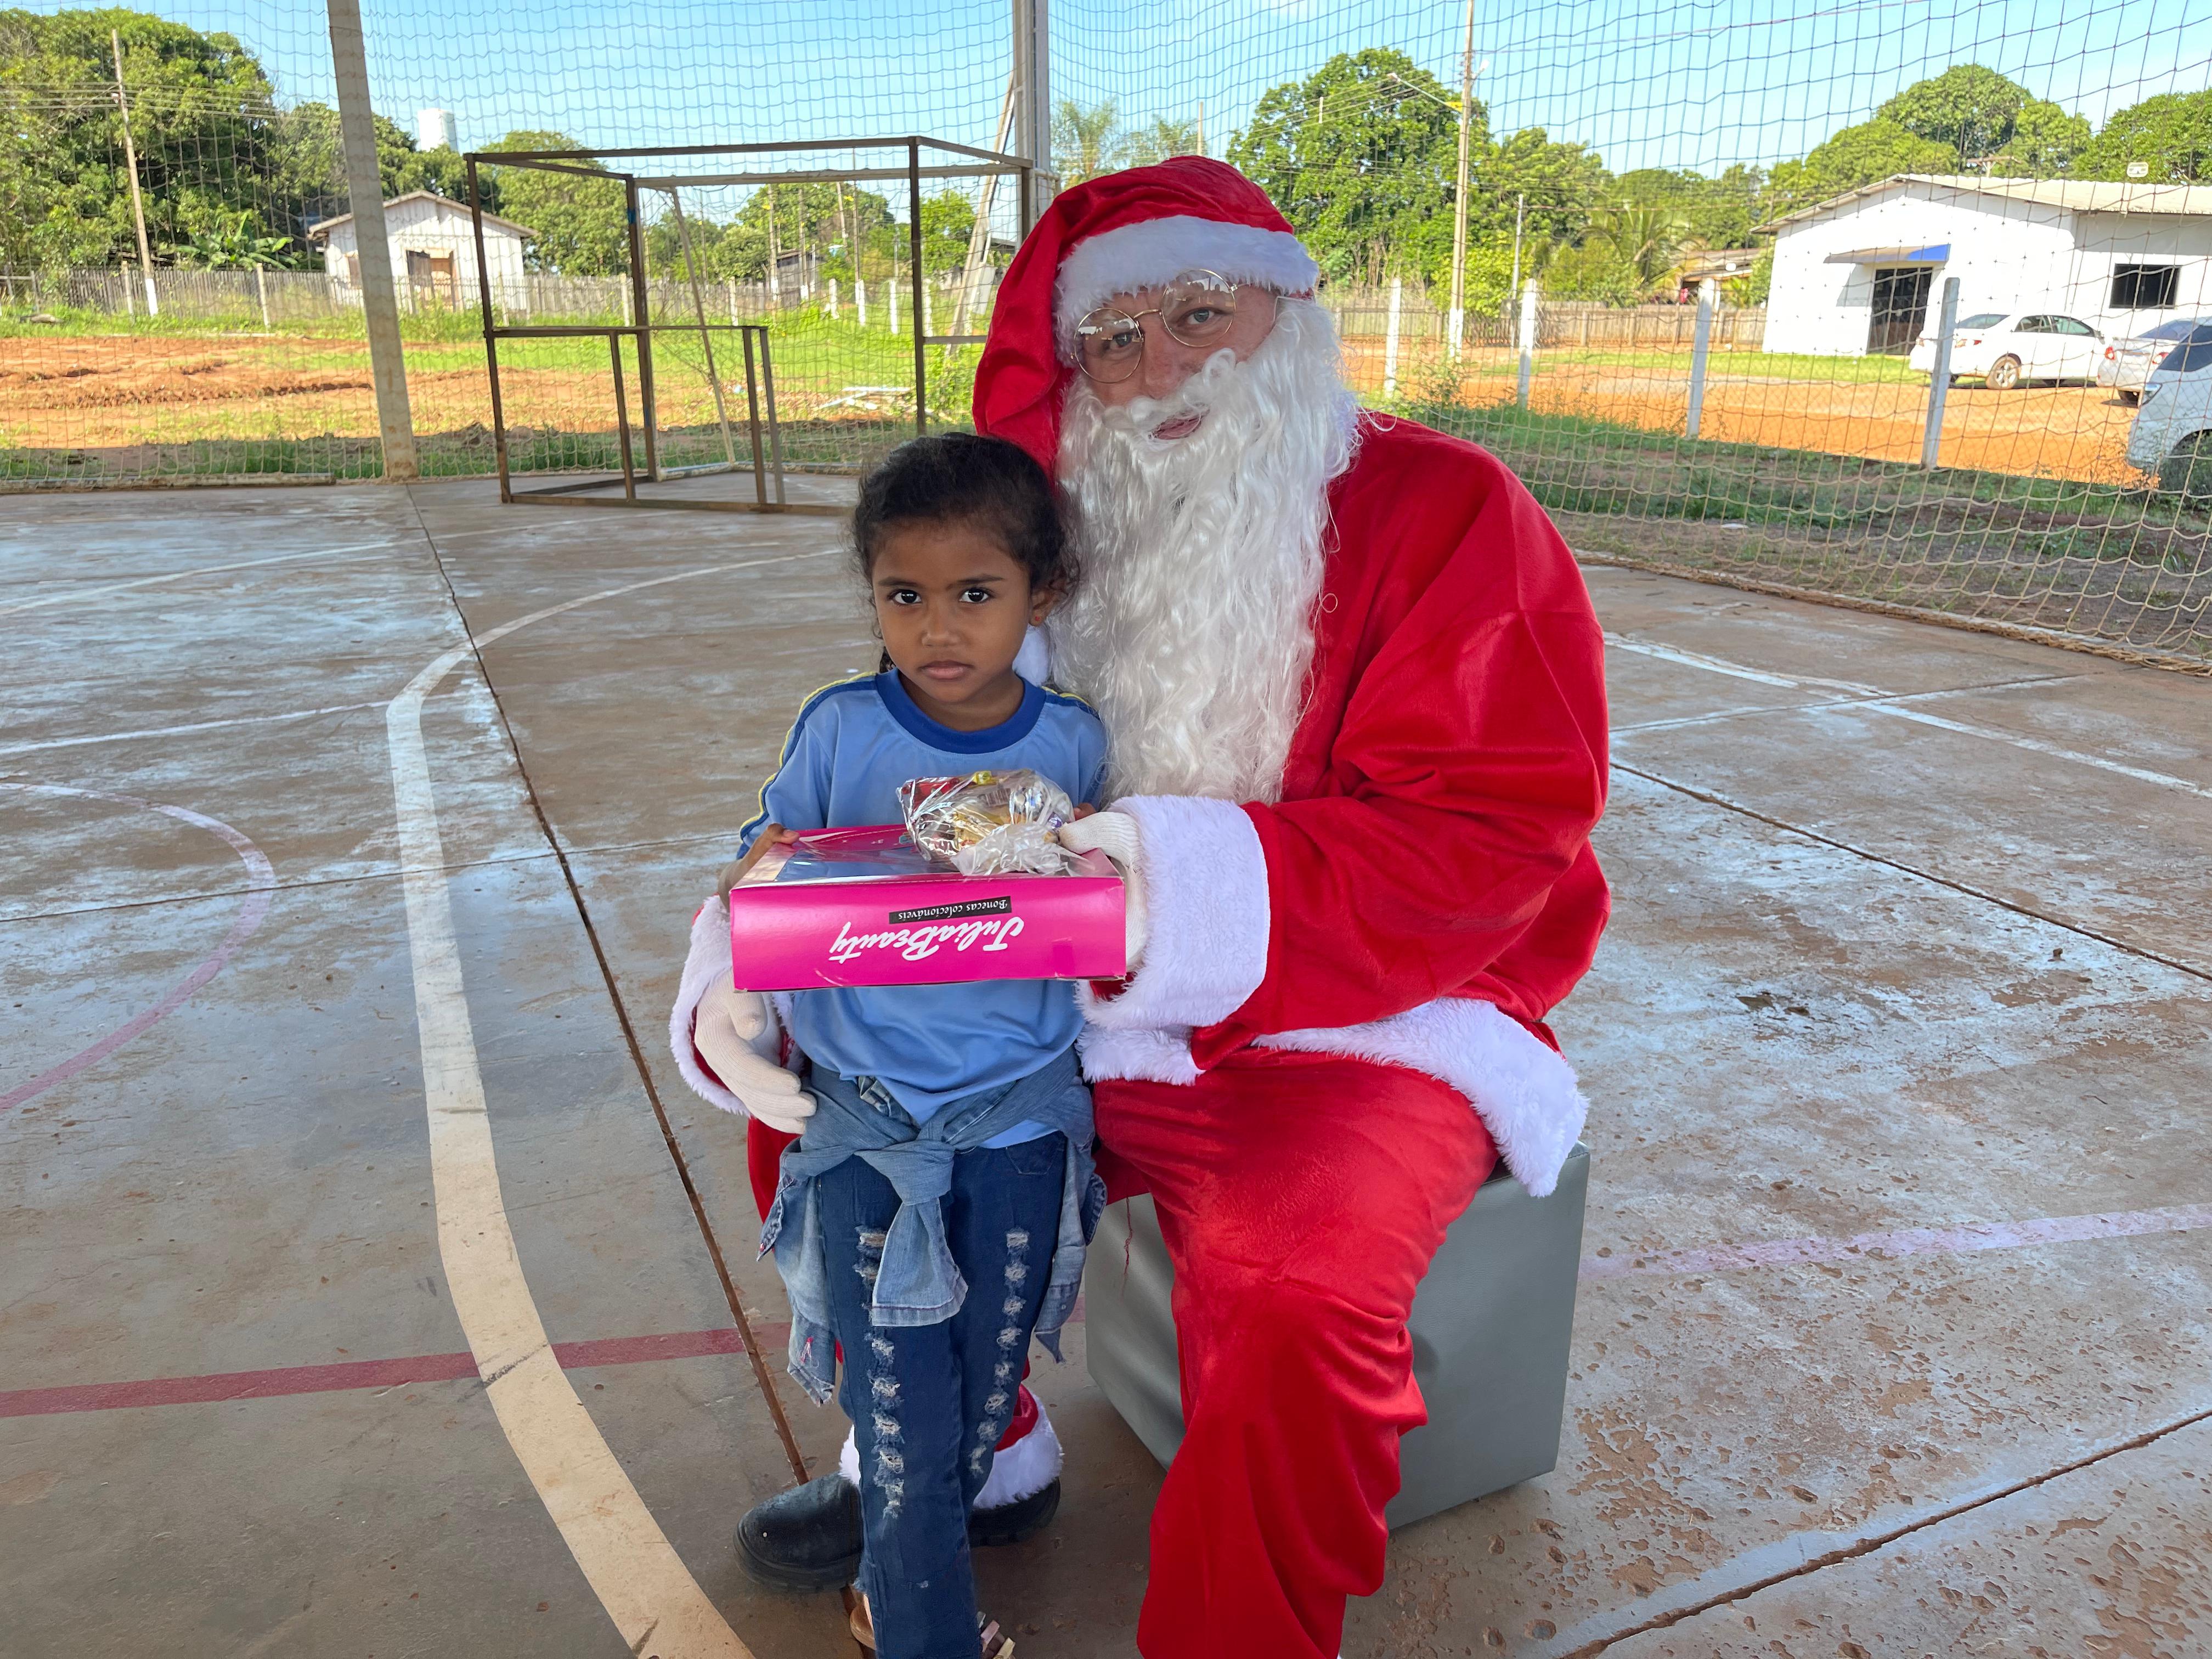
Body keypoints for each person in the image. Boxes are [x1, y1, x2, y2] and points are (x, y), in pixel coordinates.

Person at [680, 157, 1611, 1659]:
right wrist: (752, 941)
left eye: (1198, 314)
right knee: (816, 1112)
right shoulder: (1053, 529)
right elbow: (900, 777)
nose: (1157, 367)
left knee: (1296, 1299)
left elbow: (1491, 834)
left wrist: (1155, 898)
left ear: (1289, 313)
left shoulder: (1450, 511)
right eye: (1111, 338)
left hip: (1357, 1019)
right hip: (1052, 1001)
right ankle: (964, 1454)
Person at [674, 432, 1107, 1657]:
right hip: (866, 1122)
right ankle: (926, 1633)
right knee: (902, 1406)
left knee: (976, 1393)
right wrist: (746, 944)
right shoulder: (840, 730)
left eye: (975, 593)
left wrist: (1096, 870)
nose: (938, 628)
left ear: (1042, 593)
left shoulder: (1074, 742)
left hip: (1019, 1122)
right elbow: (760, 870)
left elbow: (1111, 903)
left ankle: (885, 1585)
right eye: (903, 596)